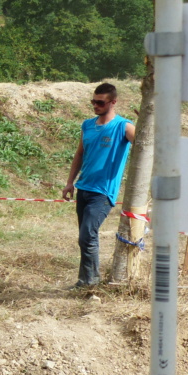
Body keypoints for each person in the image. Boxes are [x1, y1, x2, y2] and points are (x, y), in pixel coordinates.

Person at [61, 82, 136, 288]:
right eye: (93, 102)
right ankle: (85, 281)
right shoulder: (88, 125)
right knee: (84, 238)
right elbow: (79, 153)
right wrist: (70, 182)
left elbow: (143, 144)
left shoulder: (123, 126)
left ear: (113, 102)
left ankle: (90, 282)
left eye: (100, 103)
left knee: (87, 234)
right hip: (83, 188)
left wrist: (147, 128)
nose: (95, 106)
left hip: (102, 192)